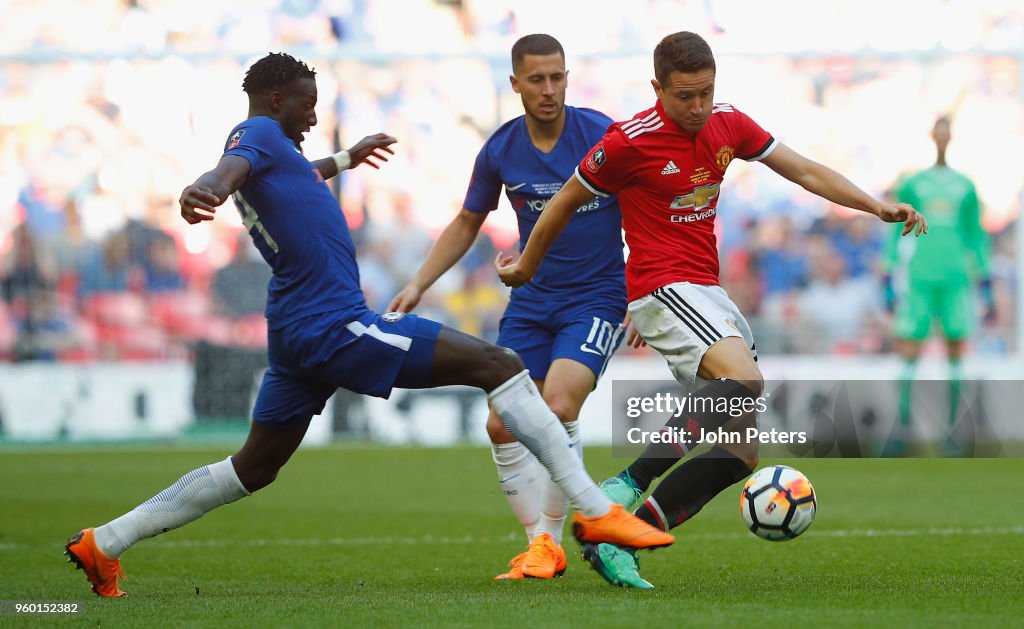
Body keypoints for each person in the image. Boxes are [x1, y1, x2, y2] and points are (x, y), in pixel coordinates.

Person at [63, 52, 673, 598]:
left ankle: (105, 542)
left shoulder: (284, 154)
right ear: (277, 100)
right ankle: (594, 510)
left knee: (254, 466)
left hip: (294, 334)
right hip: (332, 326)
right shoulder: (256, 135)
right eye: (307, 105)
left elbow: (292, 176)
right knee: (500, 366)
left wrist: (346, 158)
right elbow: (231, 169)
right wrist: (205, 188)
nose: (312, 116)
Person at [497, 31, 927, 589]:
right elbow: (564, 202)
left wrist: (874, 205)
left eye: (706, 93)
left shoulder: (728, 123)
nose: (698, 107)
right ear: (658, 89)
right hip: (661, 285)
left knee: (739, 453)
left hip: (706, 292)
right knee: (745, 380)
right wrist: (528, 266)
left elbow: (803, 170)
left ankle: (614, 537)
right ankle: (621, 488)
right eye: (685, 96)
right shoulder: (628, 141)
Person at [388, 34, 627, 580]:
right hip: (532, 301)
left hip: (597, 297)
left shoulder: (603, 136)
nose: (549, 90)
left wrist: (642, 289)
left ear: (569, 77)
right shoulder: (500, 149)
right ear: (516, 84)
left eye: (558, 77)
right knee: (500, 424)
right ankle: (539, 543)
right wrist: (421, 281)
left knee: (560, 404)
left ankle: (550, 541)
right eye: (537, 80)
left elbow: (642, 210)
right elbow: (468, 220)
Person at [882, 115, 993, 456]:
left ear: (951, 136)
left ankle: (953, 432)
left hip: (956, 278)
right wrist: (889, 271)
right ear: (932, 135)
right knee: (909, 349)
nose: (943, 137)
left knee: (955, 349)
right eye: (939, 131)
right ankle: (902, 429)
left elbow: (975, 234)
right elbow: (894, 227)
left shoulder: (966, 186)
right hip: (920, 277)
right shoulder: (914, 183)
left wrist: (985, 277)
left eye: (948, 132)